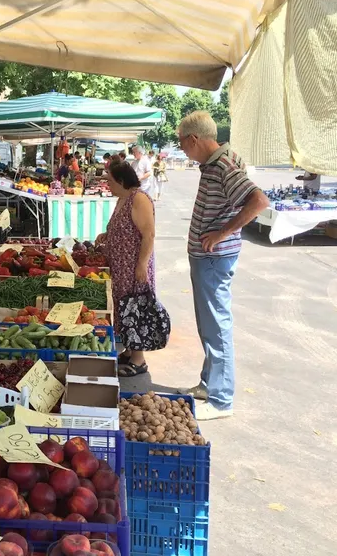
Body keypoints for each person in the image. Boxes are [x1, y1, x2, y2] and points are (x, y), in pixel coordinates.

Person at [176, 111, 269, 420]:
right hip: (208, 258)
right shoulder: (214, 163)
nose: (182, 150)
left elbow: (258, 201)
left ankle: (221, 400)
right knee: (208, 323)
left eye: (182, 143)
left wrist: (223, 232)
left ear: (193, 139)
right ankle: (208, 383)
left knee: (217, 326)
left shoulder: (225, 165)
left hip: (215, 259)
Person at [95, 162, 156, 377]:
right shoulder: (122, 199)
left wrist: (141, 266)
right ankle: (130, 351)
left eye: (110, 180)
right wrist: (106, 235)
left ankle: (139, 360)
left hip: (133, 266)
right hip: (120, 266)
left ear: (121, 181)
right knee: (124, 308)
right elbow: (123, 227)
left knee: (135, 308)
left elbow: (148, 235)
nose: (107, 184)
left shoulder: (138, 198)